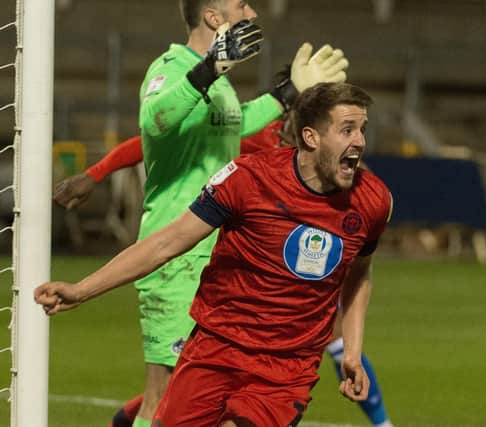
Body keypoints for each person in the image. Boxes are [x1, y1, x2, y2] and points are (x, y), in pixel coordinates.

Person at [52, 1, 348, 425]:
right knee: (165, 398)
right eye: (240, 4)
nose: (251, 11)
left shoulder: (220, 84)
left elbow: (236, 124)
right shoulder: (171, 68)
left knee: (207, 396)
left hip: (221, 257)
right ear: (213, 17)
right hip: (176, 258)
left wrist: (289, 94)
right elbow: (156, 121)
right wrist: (212, 66)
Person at [36, 82, 393, 426]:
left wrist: (352, 350)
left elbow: (359, 273)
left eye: (362, 129)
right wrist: (81, 290)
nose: (360, 141)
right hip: (216, 348)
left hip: (285, 369)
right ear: (311, 137)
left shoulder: (373, 202)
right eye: (347, 130)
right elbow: (167, 242)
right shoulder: (248, 180)